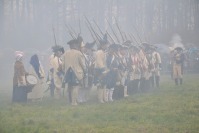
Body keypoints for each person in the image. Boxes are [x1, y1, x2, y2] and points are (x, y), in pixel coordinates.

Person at [62, 37, 86, 106]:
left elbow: (63, 65)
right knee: (76, 87)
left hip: (67, 73)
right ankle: (74, 102)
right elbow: (83, 64)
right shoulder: (79, 53)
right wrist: (85, 71)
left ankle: (69, 101)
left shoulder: (65, 53)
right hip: (77, 73)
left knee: (69, 87)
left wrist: (64, 71)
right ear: (75, 45)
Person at [94, 38, 109, 103]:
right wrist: (103, 70)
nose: (107, 46)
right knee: (100, 84)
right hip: (99, 70)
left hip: (103, 69)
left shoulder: (103, 52)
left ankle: (104, 98)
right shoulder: (99, 52)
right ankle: (100, 99)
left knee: (104, 84)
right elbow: (99, 62)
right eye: (106, 45)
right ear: (102, 45)